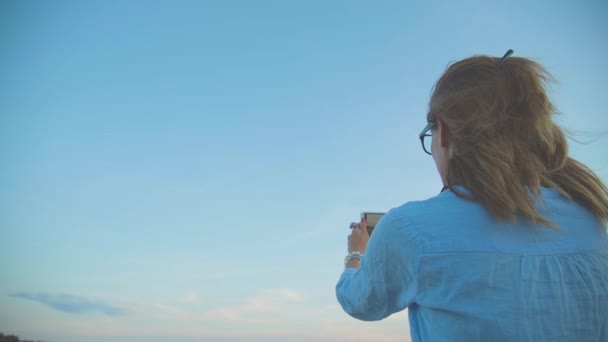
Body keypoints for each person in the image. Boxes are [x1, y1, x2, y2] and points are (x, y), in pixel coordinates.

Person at [335, 50, 608, 341]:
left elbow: (361, 302)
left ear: (444, 134)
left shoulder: (410, 228)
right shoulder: (591, 218)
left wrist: (356, 255)